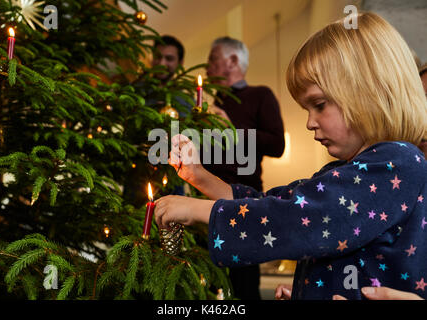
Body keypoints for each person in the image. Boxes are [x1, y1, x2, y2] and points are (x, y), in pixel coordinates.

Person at [154, 12, 427, 300]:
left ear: (369, 94)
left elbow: (302, 217)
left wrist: (196, 209)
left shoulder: (398, 163)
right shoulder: (345, 170)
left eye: (319, 104)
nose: (310, 122)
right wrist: (197, 175)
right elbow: (274, 203)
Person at [201, 37, 285, 300]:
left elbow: (277, 145)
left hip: (244, 202)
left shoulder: (260, 95)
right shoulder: (212, 104)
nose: (207, 67)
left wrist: (233, 130)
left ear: (233, 61)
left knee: (244, 284)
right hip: (205, 200)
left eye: (213, 59)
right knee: (207, 282)